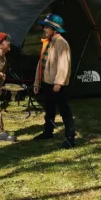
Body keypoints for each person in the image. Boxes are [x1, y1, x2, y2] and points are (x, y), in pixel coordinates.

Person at [33, 13, 76, 148]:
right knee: (49, 109)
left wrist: (59, 82)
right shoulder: (49, 42)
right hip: (47, 82)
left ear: (54, 29)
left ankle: (70, 137)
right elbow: (41, 62)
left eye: (47, 27)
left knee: (64, 111)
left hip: (57, 84)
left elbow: (64, 64)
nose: (45, 29)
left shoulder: (61, 43)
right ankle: (48, 131)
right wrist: (37, 82)